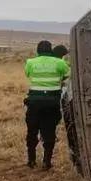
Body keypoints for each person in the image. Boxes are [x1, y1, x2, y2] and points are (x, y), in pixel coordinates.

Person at [24, 40, 70, 169]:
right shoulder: (60, 63)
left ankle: (31, 160)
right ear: (51, 50)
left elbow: (28, 74)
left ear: (37, 51)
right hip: (52, 102)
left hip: (34, 103)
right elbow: (67, 75)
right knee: (49, 131)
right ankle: (47, 162)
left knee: (32, 131)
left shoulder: (30, 62)